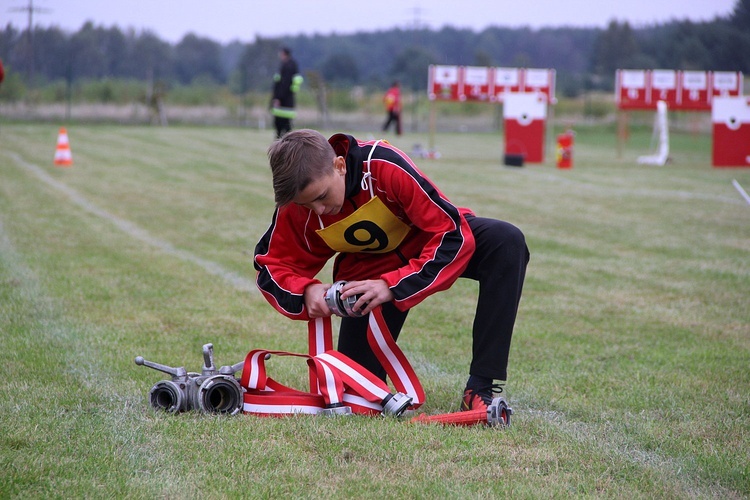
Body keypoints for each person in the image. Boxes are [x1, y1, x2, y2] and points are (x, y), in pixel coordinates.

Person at [253, 129, 529, 412]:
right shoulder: (298, 205)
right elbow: (269, 265)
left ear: (339, 165)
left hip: (425, 249)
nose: (319, 210)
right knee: (359, 396)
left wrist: (392, 286)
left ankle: (480, 386)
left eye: (322, 196)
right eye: (307, 204)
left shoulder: (384, 166)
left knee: (505, 242)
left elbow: (451, 234)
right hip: (366, 277)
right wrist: (305, 290)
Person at [270, 47, 302, 138]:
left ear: (284, 54)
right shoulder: (293, 65)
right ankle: (287, 145)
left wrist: (278, 98)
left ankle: (280, 146)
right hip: (289, 101)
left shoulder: (287, 66)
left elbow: (284, 84)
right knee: (287, 126)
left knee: (280, 126)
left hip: (283, 102)